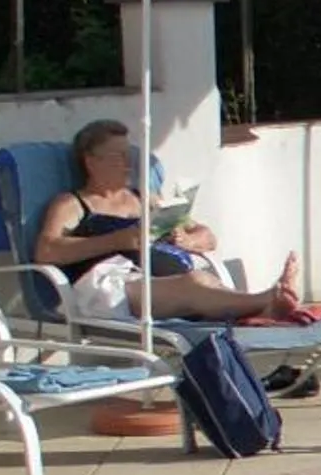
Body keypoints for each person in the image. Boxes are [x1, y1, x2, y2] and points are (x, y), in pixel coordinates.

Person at [34, 119, 298, 324]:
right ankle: (264, 301)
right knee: (193, 285)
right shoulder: (72, 203)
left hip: (155, 279)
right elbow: (46, 251)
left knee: (201, 279)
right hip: (106, 288)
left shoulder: (144, 198)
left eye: (129, 156)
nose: (128, 165)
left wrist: (189, 240)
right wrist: (116, 240)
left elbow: (208, 236)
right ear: (90, 161)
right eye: (118, 157)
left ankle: (263, 307)